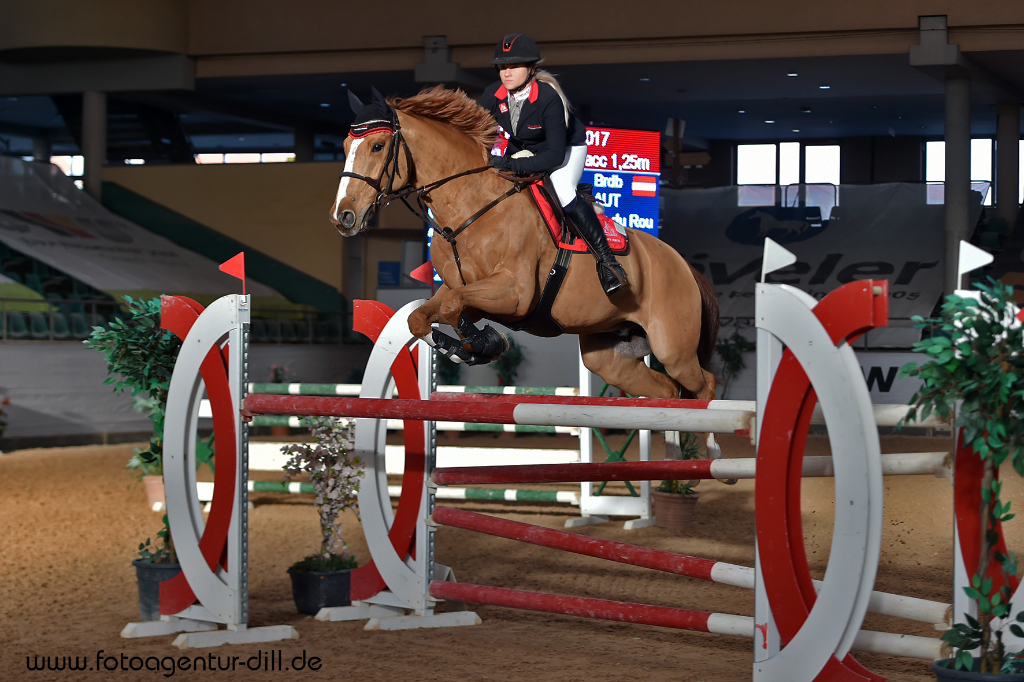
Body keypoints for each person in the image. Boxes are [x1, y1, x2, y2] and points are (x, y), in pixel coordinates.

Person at [482, 33, 628, 296]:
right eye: (502, 67)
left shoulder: (549, 97)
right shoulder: (492, 94)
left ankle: (608, 263)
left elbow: (554, 156)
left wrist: (511, 165)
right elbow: (478, 132)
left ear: (531, 69)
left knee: (561, 190)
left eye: (514, 66)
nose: (507, 72)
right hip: (525, 146)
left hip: (565, 149)